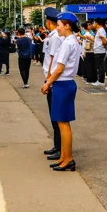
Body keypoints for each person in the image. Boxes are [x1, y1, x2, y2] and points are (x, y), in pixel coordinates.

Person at [41, 12, 81, 172]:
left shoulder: (67, 43)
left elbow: (59, 68)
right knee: (62, 122)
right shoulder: (71, 41)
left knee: (63, 124)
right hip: (64, 84)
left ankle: (68, 158)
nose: (56, 28)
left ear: (67, 26)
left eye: (58, 25)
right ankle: (64, 157)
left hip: (62, 84)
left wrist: (47, 83)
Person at [42, 8, 63, 161]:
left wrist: (48, 81)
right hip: (52, 80)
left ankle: (60, 148)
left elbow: (53, 60)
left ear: (48, 21)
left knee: (56, 116)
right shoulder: (53, 35)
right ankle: (57, 145)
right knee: (54, 115)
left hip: (53, 81)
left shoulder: (55, 37)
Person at [90, 19, 107, 87]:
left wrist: (104, 47)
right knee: (99, 66)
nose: (93, 24)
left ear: (97, 23)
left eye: (94, 23)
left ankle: (101, 81)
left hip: (100, 51)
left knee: (100, 66)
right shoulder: (100, 30)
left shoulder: (101, 30)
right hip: (98, 50)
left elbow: (104, 40)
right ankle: (99, 80)